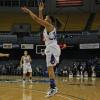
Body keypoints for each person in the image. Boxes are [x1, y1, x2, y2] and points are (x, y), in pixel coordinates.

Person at [21, 1, 61, 97]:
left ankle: (53, 88)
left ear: (49, 20)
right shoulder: (48, 27)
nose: (44, 19)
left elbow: (36, 19)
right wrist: (40, 10)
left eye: (46, 18)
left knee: (50, 69)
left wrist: (28, 11)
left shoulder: (49, 26)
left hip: (52, 48)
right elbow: (39, 19)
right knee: (50, 69)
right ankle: (53, 87)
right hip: (52, 48)